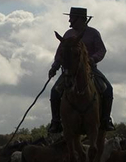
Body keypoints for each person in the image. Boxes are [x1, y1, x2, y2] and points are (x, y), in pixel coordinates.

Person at [47, 7, 113, 135]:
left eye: (72, 18)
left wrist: (93, 59)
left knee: (108, 89)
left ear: (80, 19)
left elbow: (101, 50)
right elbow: (60, 53)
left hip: (90, 69)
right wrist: (55, 66)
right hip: (69, 71)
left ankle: (105, 120)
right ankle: (56, 121)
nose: (69, 21)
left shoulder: (93, 33)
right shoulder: (67, 34)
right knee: (54, 91)